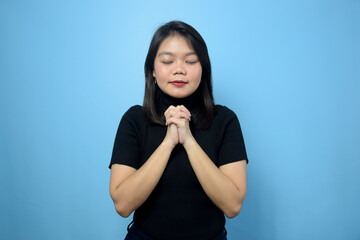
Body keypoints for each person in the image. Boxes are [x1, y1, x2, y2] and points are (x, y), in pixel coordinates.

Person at [109, 20, 248, 240]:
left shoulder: (225, 120)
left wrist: (189, 141)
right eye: (167, 61)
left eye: (191, 61)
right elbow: (123, 205)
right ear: (152, 71)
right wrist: (168, 143)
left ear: (203, 68)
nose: (179, 69)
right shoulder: (134, 119)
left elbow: (232, 206)